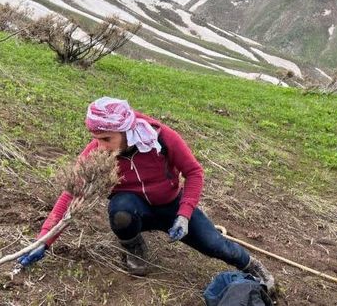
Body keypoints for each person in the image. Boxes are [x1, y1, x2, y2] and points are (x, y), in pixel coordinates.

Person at [18, 97, 275, 290]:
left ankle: (252, 266)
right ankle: (132, 245)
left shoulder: (161, 139)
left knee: (217, 246)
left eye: (107, 139)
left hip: (171, 206)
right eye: (96, 138)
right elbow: (70, 195)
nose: (100, 146)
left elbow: (194, 173)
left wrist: (184, 215)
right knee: (121, 213)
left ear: (126, 131)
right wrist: (45, 239)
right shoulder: (96, 154)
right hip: (133, 208)